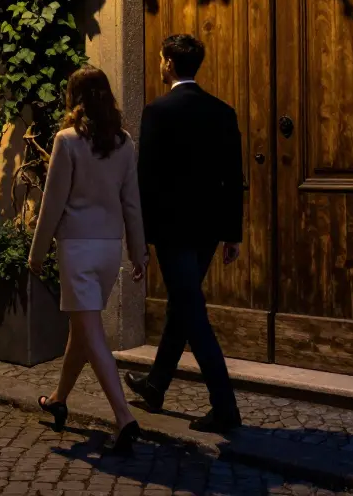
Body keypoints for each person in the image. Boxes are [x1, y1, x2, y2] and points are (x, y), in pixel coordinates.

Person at [124, 33, 244, 433]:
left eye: (161, 59)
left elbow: (147, 180)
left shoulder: (158, 111)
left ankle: (225, 407)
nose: (160, 64)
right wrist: (233, 233)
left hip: (173, 230)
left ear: (170, 64)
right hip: (208, 229)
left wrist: (139, 239)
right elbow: (233, 176)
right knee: (183, 303)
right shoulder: (223, 112)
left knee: (192, 312)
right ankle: (156, 385)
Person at [29, 66, 147, 456]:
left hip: (77, 247)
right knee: (82, 329)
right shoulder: (124, 142)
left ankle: (124, 417)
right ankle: (59, 398)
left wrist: (36, 250)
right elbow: (132, 203)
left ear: (73, 98)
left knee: (90, 330)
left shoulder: (67, 141)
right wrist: (139, 251)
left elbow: (52, 202)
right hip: (108, 248)